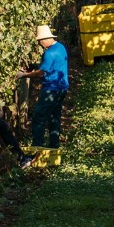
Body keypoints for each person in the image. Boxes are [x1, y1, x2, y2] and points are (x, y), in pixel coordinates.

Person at [15, 25, 69, 165]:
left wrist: (24, 75)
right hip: (62, 88)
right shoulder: (60, 47)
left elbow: (41, 73)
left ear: (46, 38)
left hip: (51, 89)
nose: (39, 43)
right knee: (54, 116)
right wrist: (34, 65)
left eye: (40, 41)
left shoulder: (49, 53)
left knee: (38, 117)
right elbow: (50, 66)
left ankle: (36, 148)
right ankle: (53, 146)